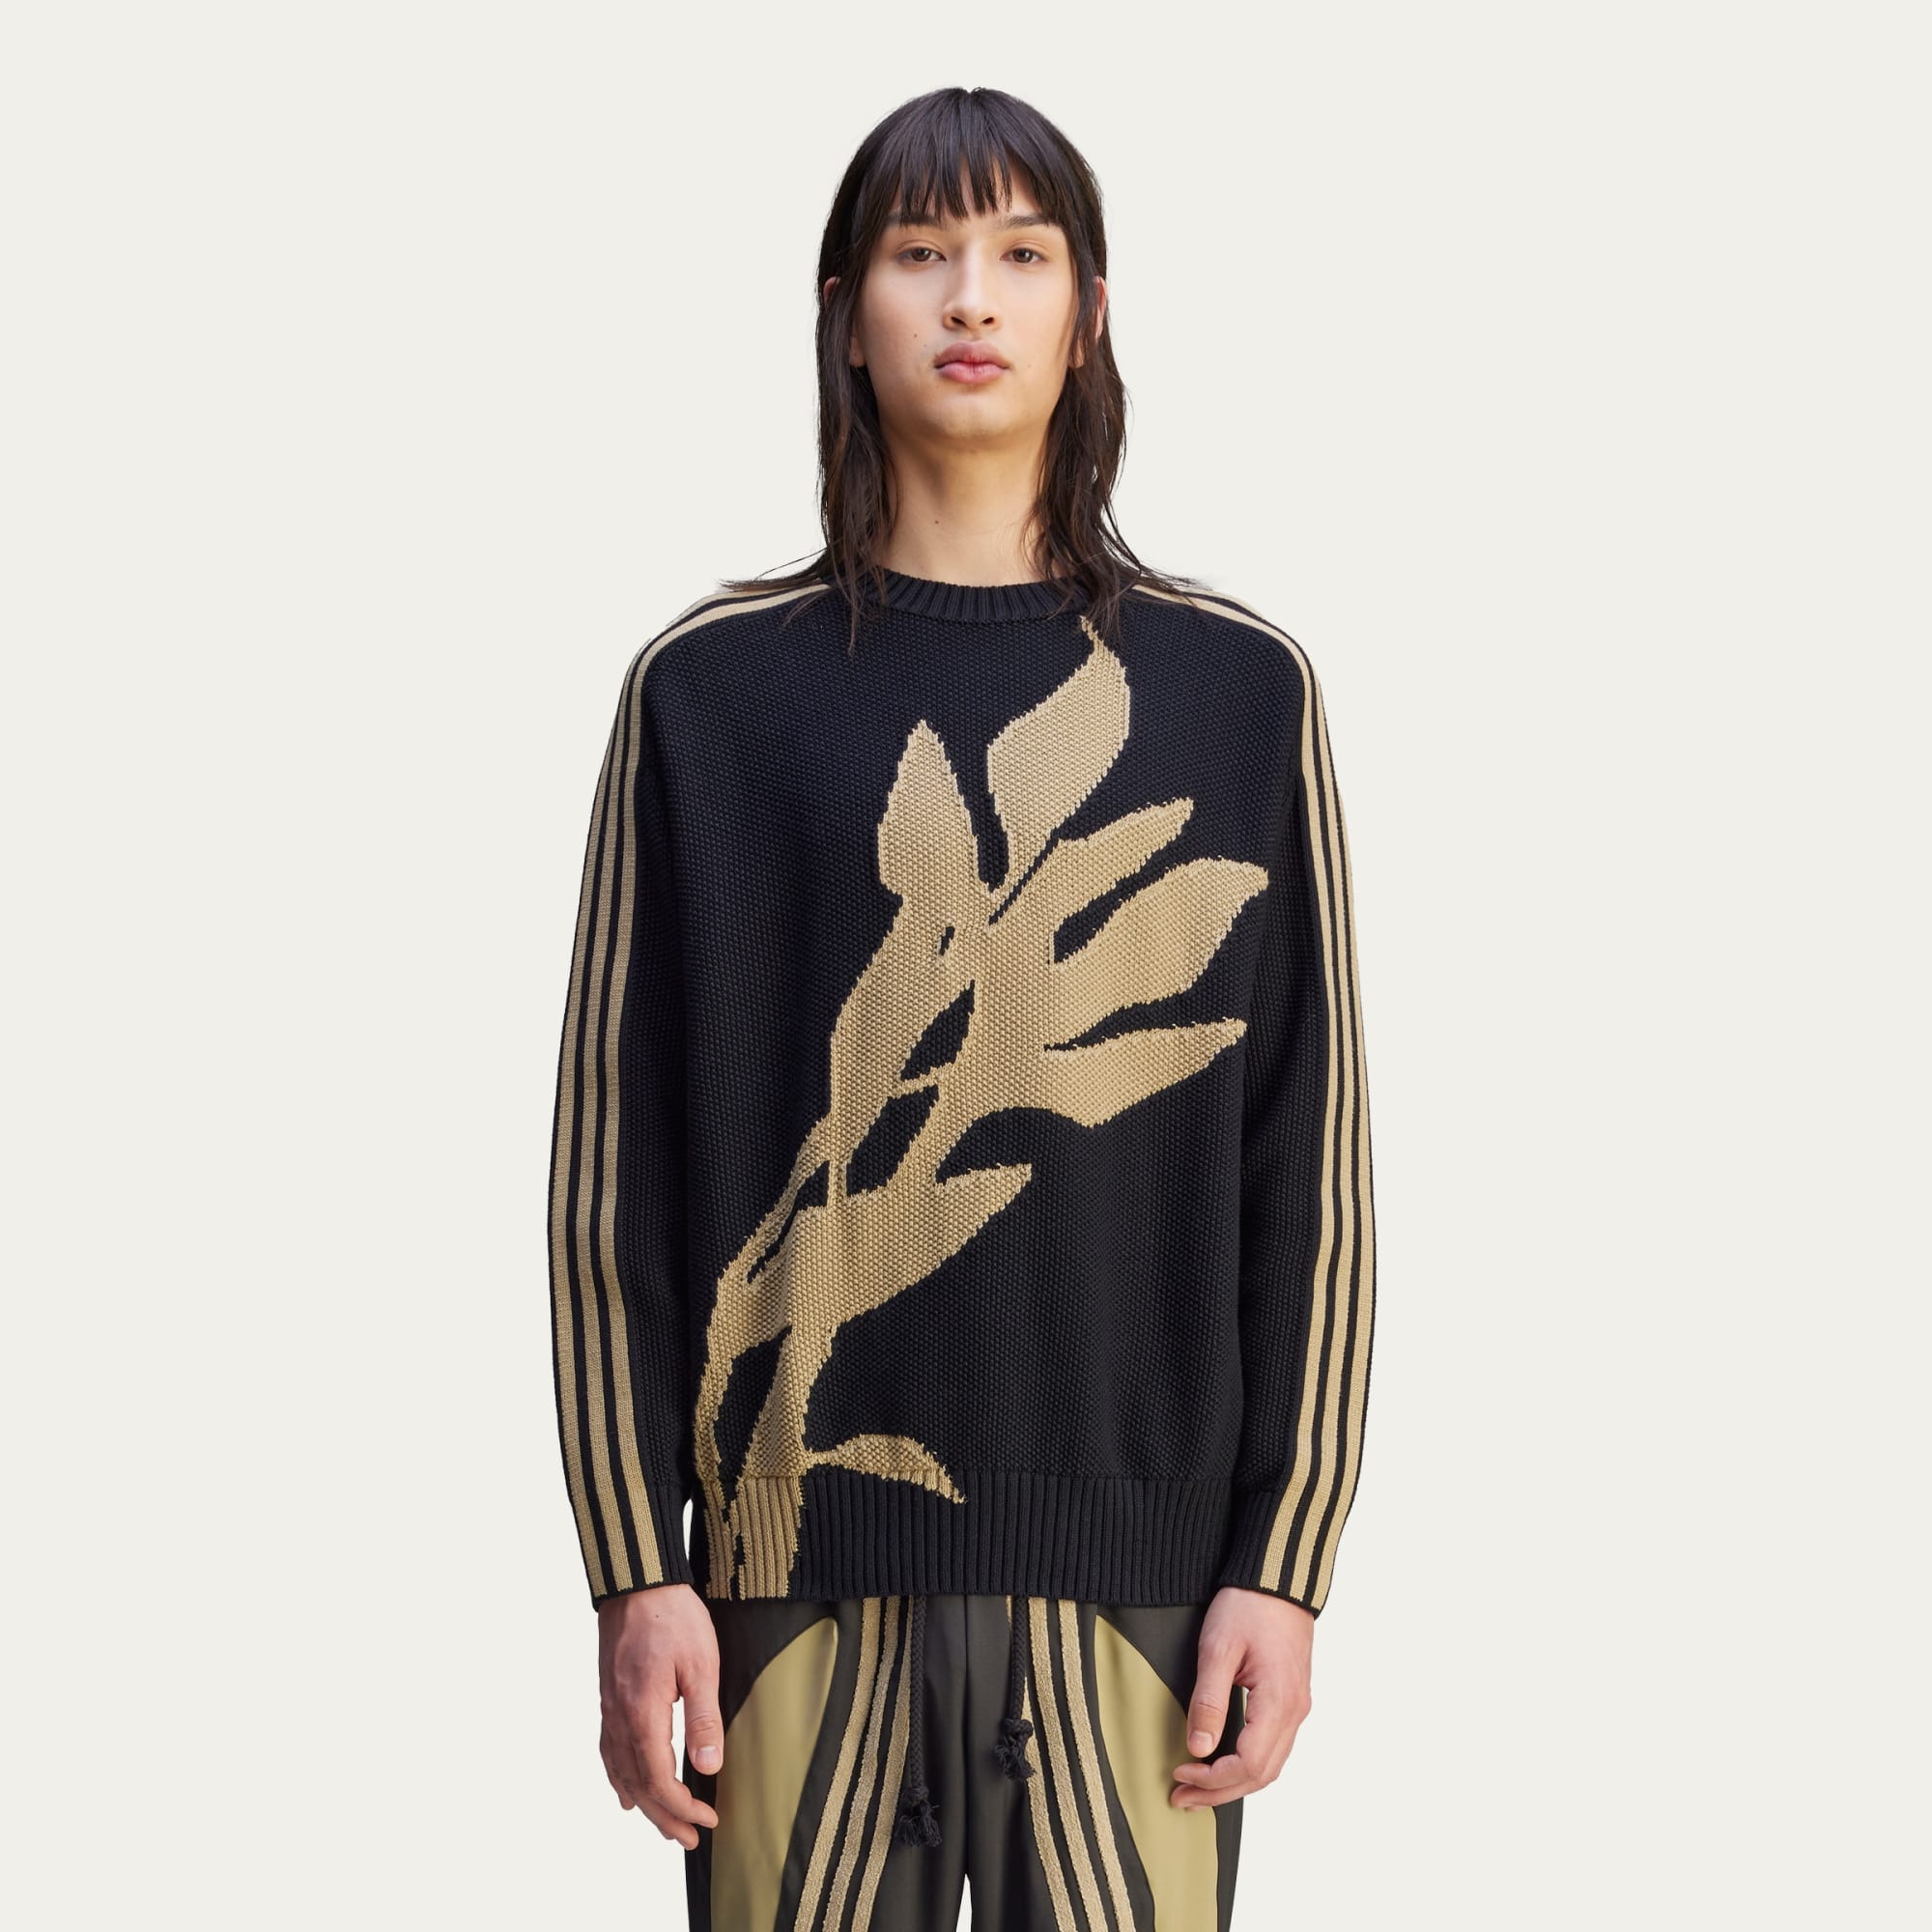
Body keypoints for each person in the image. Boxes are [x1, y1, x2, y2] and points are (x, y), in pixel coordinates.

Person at [546, 85, 1378, 1932]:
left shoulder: (1238, 691)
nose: (972, 297)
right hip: (784, 1579)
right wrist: (631, 1559)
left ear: (1092, 311)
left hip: (1144, 1593)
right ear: (847, 313)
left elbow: (1307, 1166)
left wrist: (1286, 1558)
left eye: (1022, 253)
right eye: (921, 253)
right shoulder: (706, 695)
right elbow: (616, 1173)